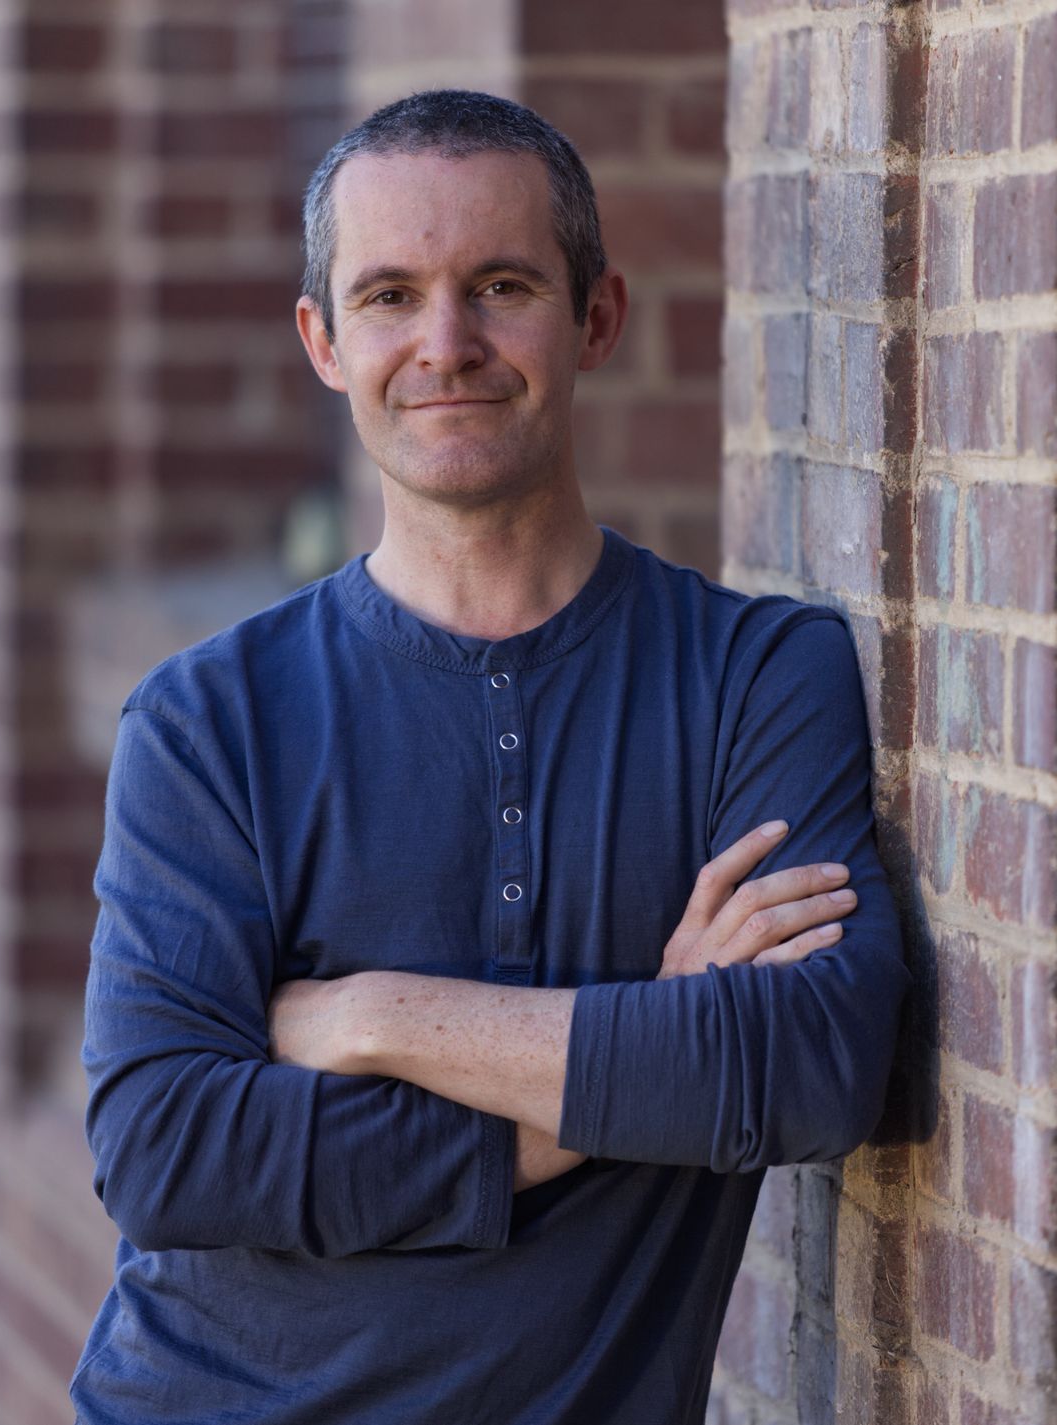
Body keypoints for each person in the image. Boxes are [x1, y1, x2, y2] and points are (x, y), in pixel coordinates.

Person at [72, 90, 909, 1425]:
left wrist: (370, 1017)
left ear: (597, 317)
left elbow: (809, 1064)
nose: (445, 343)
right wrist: (647, 1043)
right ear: (323, 341)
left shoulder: (758, 675)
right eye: (391, 294)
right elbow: (169, 1147)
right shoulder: (207, 723)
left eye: (501, 284)